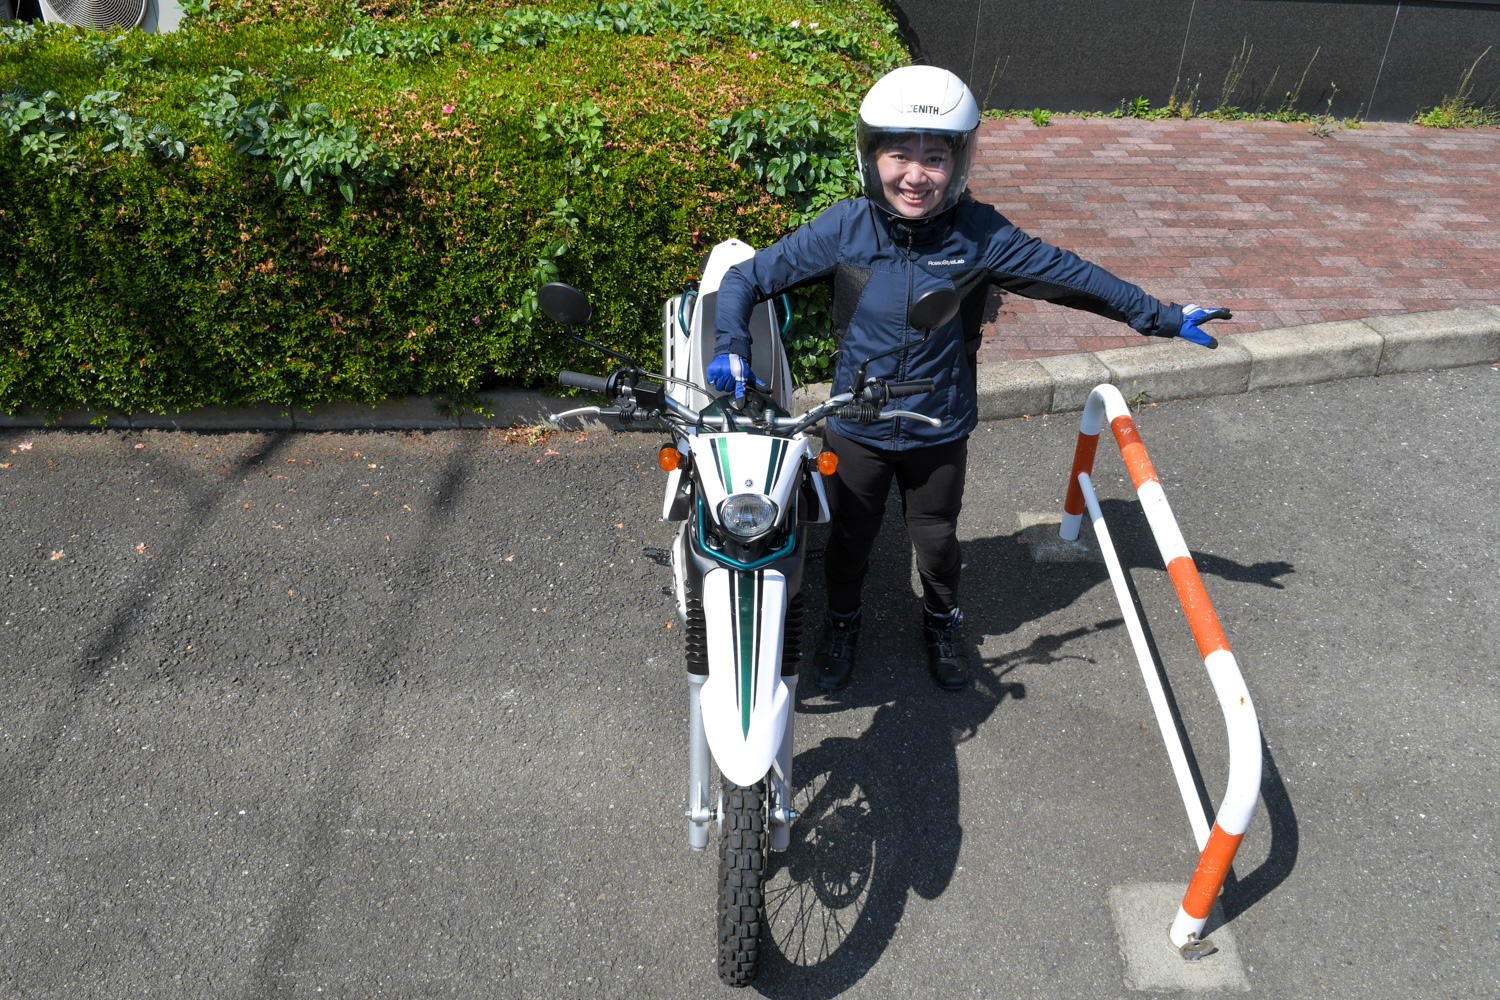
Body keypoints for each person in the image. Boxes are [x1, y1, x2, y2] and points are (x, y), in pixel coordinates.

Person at [707, 65, 1230, 693]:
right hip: (857, 422)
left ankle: (942, 619)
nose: (915, 175)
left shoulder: (978, 234)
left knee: (936, 541)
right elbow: (746, 279)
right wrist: (731, 348)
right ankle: (842, 622)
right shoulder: (846, 226)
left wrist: (1162, 316)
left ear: (958, 163)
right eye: (899, 154)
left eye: (934, 158)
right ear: (871, 156)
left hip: (938, 421)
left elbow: (1072, 277)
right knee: (848, 537)